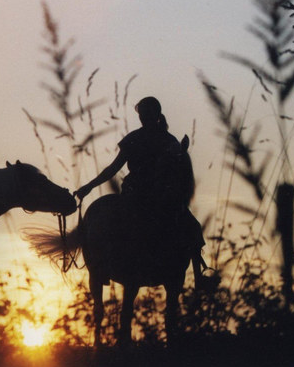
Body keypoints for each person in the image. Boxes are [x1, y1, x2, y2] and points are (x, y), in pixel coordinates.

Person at [75, 96, 212, 289]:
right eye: (141, 114)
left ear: (156, 114)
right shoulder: (149, 139)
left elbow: (114, 169)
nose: (143, 118)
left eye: (146, 114)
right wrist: (90, 185)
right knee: (190, 227)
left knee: (192, 226)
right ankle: (199, 277)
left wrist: (89, 186)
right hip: (139, 195)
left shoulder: (164, 140)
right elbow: (113, 168)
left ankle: (199, 277)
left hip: (150, 195)